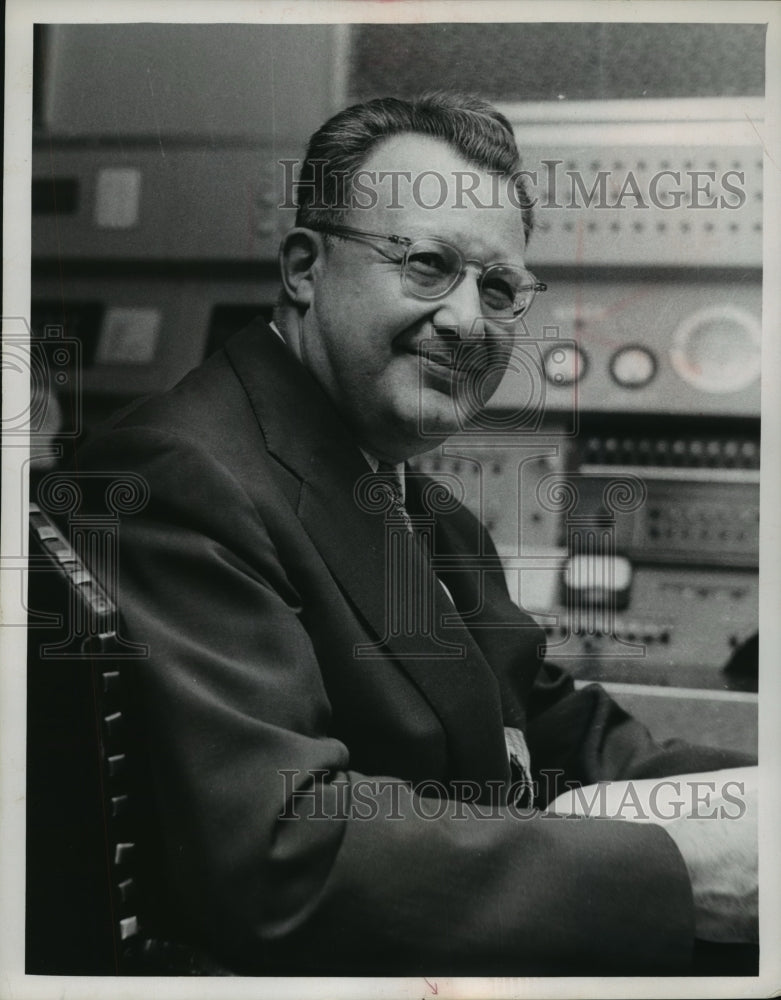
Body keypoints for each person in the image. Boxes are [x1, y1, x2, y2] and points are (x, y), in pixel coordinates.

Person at [72, 93, 756, 976]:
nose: (471, 321)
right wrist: (680, 871)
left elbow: (553, 733)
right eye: (428, 263)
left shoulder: (414, 499)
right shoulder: (174, 473)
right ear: (304, 268)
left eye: (500, 288)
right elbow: (279, 854)